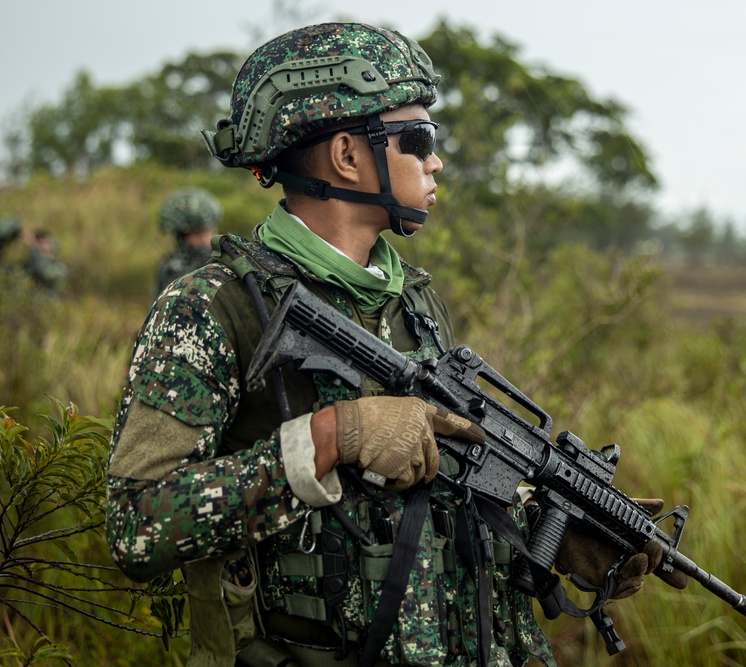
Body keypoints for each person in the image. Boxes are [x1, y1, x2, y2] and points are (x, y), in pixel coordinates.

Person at [106, 22, 678, 667]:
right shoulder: (213, 307)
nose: (435, 161)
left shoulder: (415, 302)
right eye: (418, 138)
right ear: (348, 155)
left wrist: (549, 524)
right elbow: (138, 526)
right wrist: (330, 437)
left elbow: (430, 494)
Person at [153, 187, 222, 299]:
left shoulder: (224, 263)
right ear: (182, 237)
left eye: (211, 231)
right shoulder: (172, 271)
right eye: (198, 234)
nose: (207, 240)